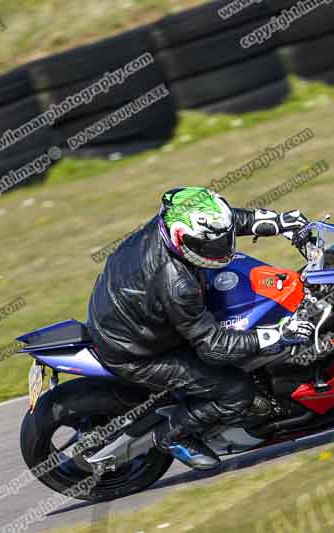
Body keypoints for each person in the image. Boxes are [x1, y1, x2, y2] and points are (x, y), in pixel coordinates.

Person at [87, 186, 314, 470]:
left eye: (222, 241)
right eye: (211, 247)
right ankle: (171, 435)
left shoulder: (171, 224)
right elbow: (213, 347)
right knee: (235, 391)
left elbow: (224, 224)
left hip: (127, 311)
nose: (223, 249)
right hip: (137, 353)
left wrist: (277, 222)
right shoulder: (178, 284)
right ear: (183, 240)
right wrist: (278, 334)